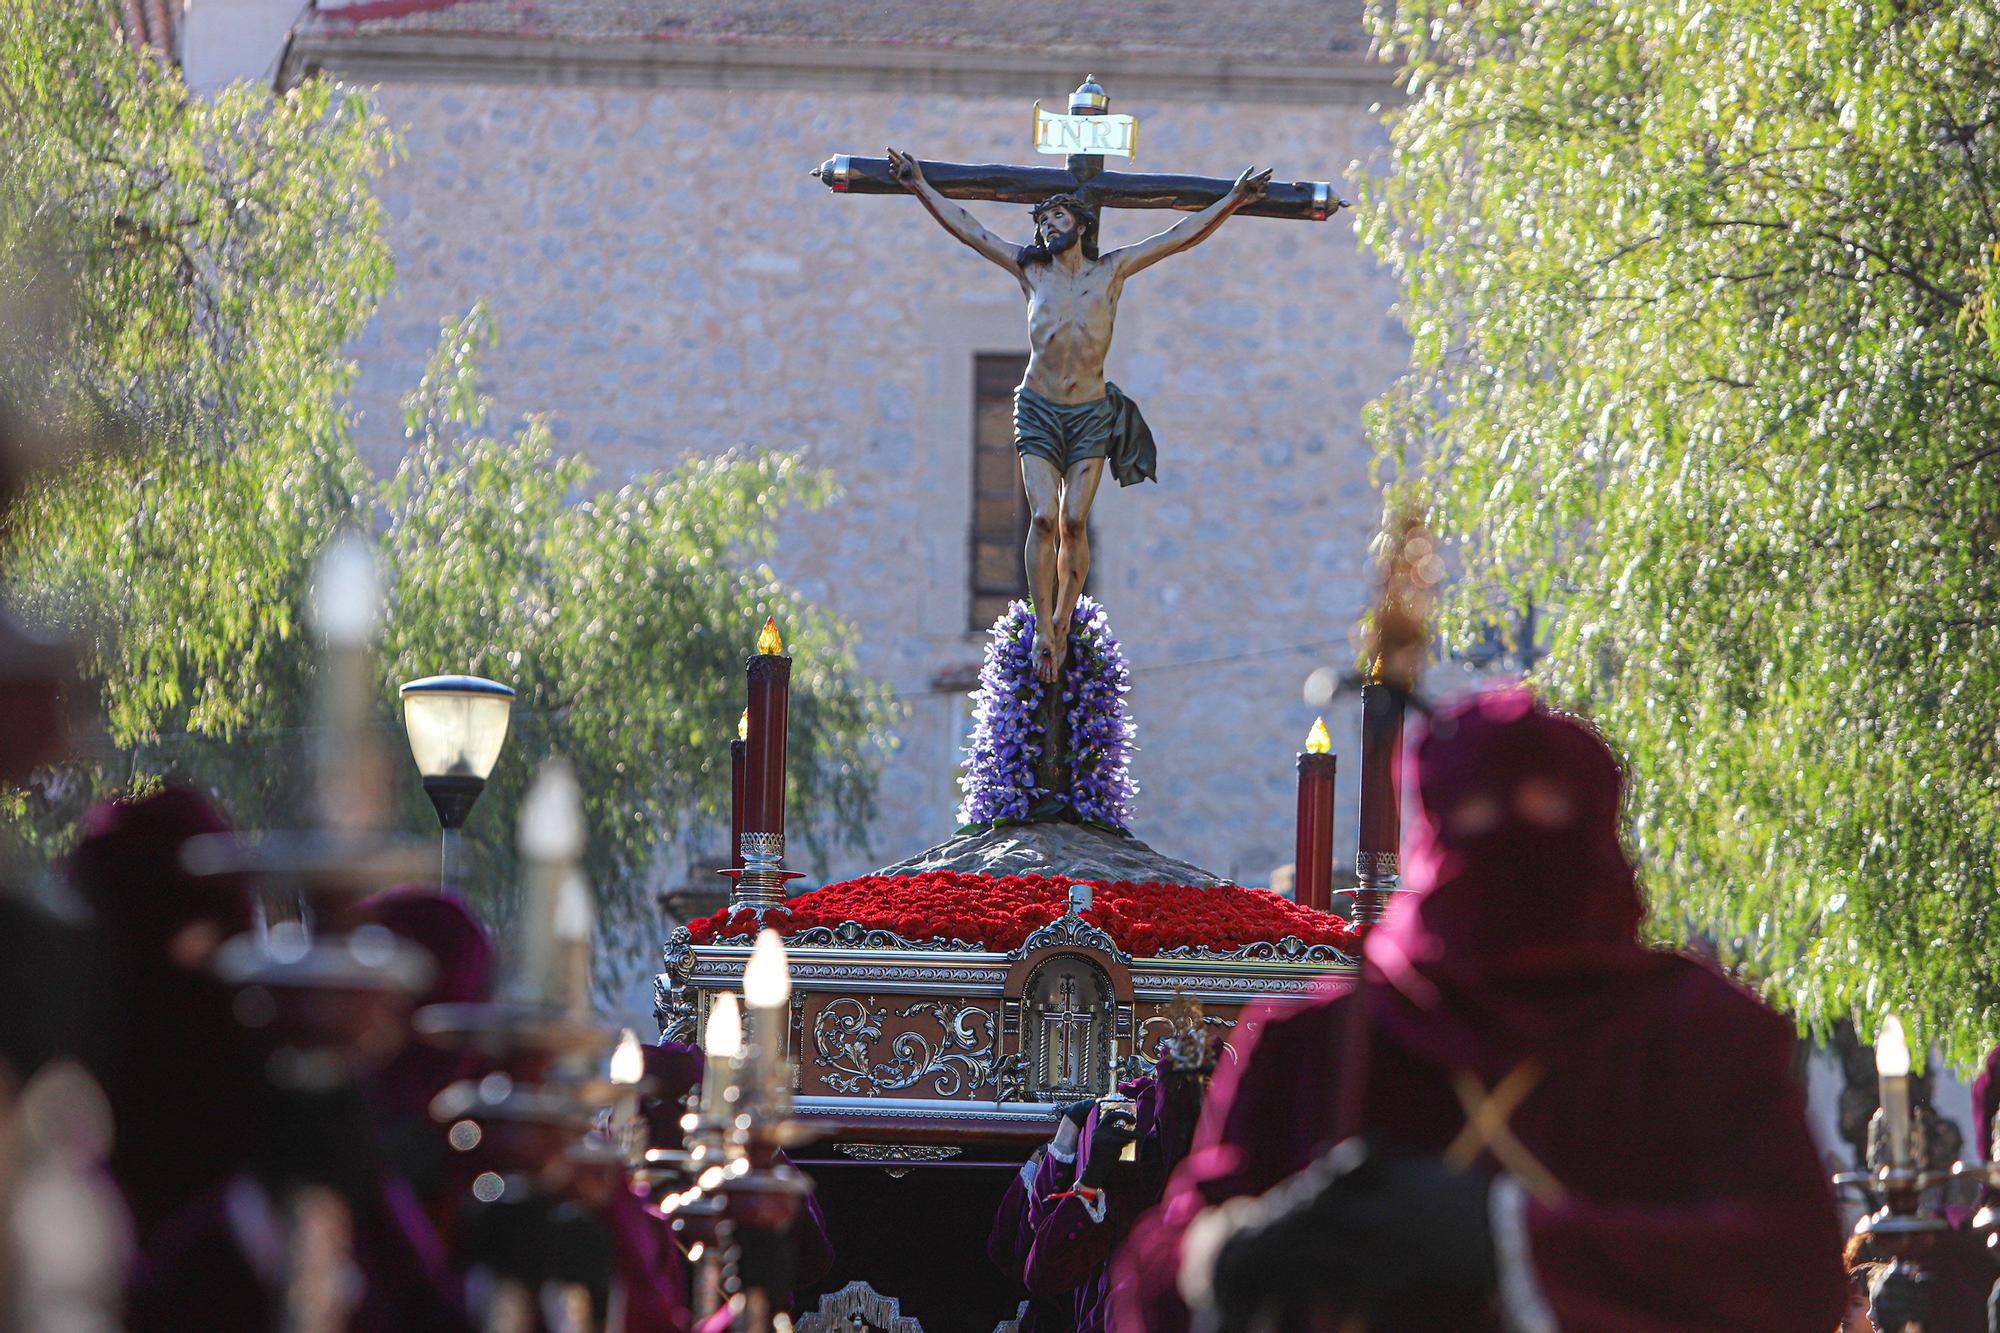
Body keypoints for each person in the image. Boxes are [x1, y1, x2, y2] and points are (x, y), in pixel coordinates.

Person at [1116, 685, 1848, 1331]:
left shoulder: (1697, 1031)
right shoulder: (1318, 1042)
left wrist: (1505, 1237)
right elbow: (1149, 1284)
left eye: (1544, 807)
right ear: (1433, 831)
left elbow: (1794, 1273)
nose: (1508, 838)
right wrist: (1229, 1251)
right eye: (1473, 808)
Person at [887, 146, 1269, 681]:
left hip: (1090, 413)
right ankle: (1044, 627)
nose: (1046, 228)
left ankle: (1065, 621)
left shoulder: (1112, 272)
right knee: (1044, 518)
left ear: (1082, 224)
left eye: (1056, 217)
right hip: (1040, 410)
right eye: (1041, 221)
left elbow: (1177, 238)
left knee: (1073, 521)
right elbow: (972, 231)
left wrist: (1231, 201)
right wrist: (920, 186)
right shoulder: (1031, 275)